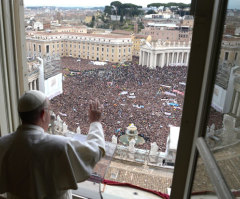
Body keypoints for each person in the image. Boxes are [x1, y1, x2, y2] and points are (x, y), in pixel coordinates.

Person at [0, 90, 105, 199]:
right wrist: (95, 122)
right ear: (43, 114)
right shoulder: (60, 146)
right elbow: (94, 151)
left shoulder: (2, 144)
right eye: (49, 110)